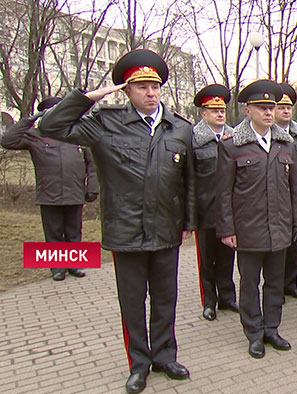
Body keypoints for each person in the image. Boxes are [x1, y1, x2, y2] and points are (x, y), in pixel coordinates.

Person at [38, 49, 195, 394]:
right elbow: (50, 125)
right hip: (126, 230)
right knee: (132, 301)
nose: (151, 93)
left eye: (155, 86)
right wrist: (86, 98)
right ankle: (139, 364)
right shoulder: (105, 124)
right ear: (126, 90)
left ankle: (165, 356)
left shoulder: (179, 128)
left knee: (166, 299)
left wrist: (189, 222)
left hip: (167, 229)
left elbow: (189, 182)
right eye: (141, 87)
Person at [215, 79, 297, 358]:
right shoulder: (232, 146)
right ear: (248, 111)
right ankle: (253, 333)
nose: (269, 112)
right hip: (248, 229)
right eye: (262, 107)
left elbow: (295, 189)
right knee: (250, 283)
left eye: (272, 107)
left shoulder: (285, 144)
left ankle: (271, 328)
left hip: (279, 228)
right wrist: (227, 229)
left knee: (275, 283)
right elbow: (223, 192)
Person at [2, 96, 99, 281]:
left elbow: (91, 164)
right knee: (53, 232)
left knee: (74, 231)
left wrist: (92, 187)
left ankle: (74, 265)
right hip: (49, 193)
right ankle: (57, 268)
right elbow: (7, 140)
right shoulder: (35, 135)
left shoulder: (77, 134)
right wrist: (30, 118)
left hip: (74, 192)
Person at [191, 85, 237, 321]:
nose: (220, 114)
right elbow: (188, 179)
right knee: (207, 260)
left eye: (222, 110)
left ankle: (228, 298)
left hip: (229, 211)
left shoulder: (234, 138)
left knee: (228, 257)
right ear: (204, 114)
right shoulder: (195, 140)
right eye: (214, 110)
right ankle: (210, 301)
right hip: (205, 209)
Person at [275, 82, 297, 300]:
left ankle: (291, 284)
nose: (286, 111)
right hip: (275, 198)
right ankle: (276, 289)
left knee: (294, 244)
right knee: (277, 248)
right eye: (281, 107)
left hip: (295, 199)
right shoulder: (269, 135)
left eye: (289, 107)